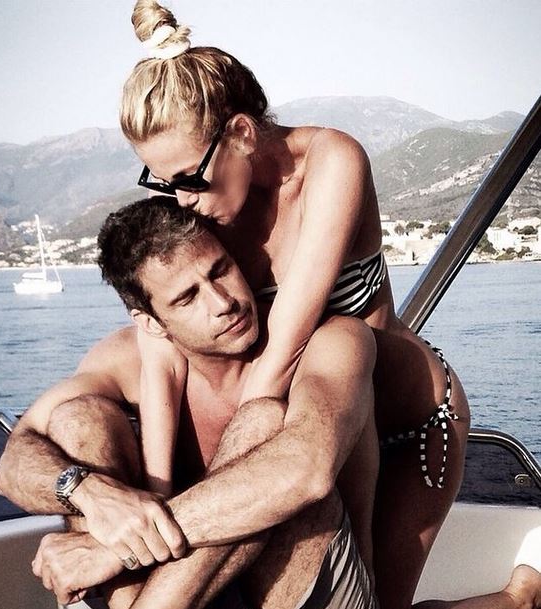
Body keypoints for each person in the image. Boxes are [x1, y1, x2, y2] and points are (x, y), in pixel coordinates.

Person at [116, 2, 541, 608]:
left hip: (407, 420)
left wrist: (194, 514)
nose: (180, 199)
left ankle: (520, 599)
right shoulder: (206, 204)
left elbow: (279, 358)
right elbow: (161, 347)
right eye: (162, 183)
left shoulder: (332, 162)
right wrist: (155, 493)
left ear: (241, 133)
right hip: (316, 425)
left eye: (189, 178)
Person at [0, 197, 380, 609]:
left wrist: (115, 549)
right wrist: (89, 492)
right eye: (187, 298)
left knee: (263, 423)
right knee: (78, 420)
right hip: (183, 597)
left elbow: (307, 470)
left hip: (313, 595)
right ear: (150, 322)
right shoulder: (126, 359)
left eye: (220, 270)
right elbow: (13, 464)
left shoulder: (332, 340)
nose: (223, 303)